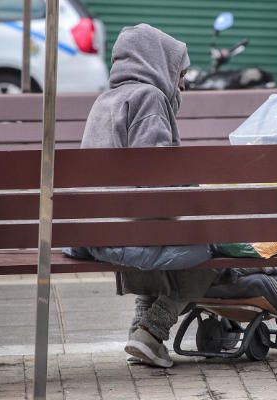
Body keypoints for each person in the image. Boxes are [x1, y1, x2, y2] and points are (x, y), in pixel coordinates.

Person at [78, 24, 218, 368]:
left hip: (90, 233)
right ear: (156, 63)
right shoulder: (150, 99)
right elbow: (157, 185)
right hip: (127, 235)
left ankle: (138, 330)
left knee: (155, 234)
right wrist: (194, 199)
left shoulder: (104, 101)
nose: (182, 83)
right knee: (208, 250)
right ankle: (153, 331)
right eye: (179, 73)